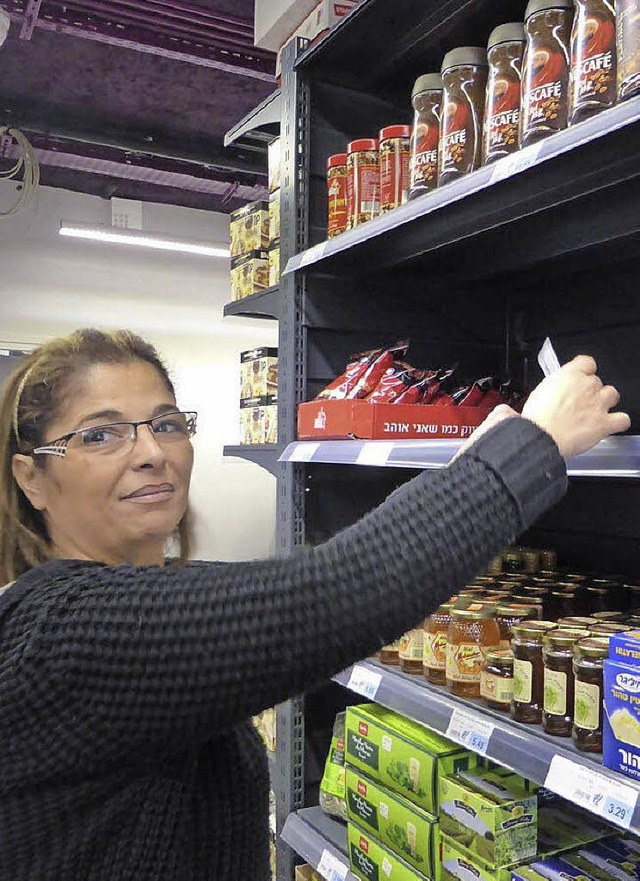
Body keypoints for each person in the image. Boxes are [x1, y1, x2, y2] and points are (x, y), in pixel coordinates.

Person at [0, 328, 629, 881]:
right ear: (32, 477)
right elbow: (337, 589)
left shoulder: (135, 595)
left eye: (166, 423)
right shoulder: (63, 632)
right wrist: (534, 441)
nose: (151, 452)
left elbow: (305, 581)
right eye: (102, 434)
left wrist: (468, 463)